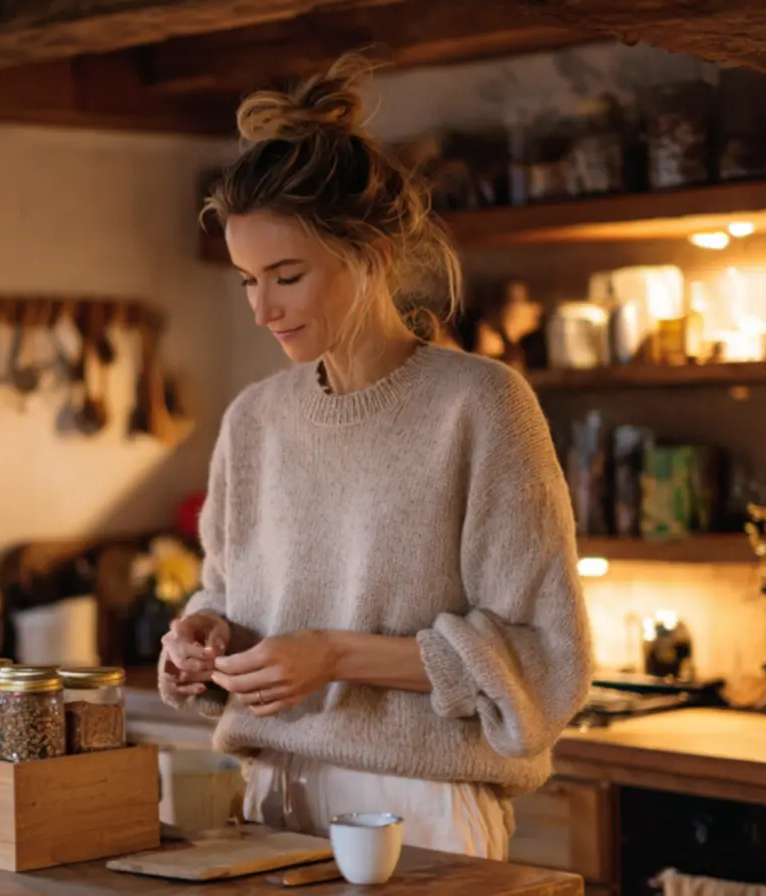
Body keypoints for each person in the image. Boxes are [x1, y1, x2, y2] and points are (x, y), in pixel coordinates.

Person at [157, 54, 594, 861]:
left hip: (421, 809)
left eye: (286, 276)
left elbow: (546, 660)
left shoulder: (480, 405)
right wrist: (204, 636)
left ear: (373, 254)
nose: (262, 310)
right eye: (248, 281)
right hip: (268, 801)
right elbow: (232, 591)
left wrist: (331, 656)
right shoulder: (254, 421)